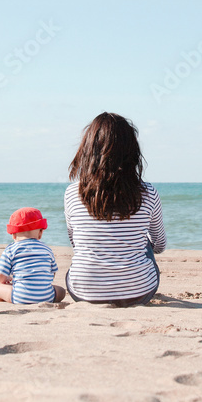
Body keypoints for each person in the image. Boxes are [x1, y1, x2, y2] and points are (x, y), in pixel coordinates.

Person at [64, 112, 166, 307]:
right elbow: (160, 245)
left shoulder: (72, 193)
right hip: (139, 293)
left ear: (88, 150)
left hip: (84, 292)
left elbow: (75, 242)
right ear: (131, 151)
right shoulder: (148, 192)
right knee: (144, 241)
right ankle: (129, 280)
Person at [0, 207, 66, 304]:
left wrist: (5, 280)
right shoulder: (47, 249)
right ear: (40, 233)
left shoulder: (11, 250)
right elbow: (52, 273)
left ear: (13, 235)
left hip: (20, 297)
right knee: (61, 291)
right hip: (47, 297)